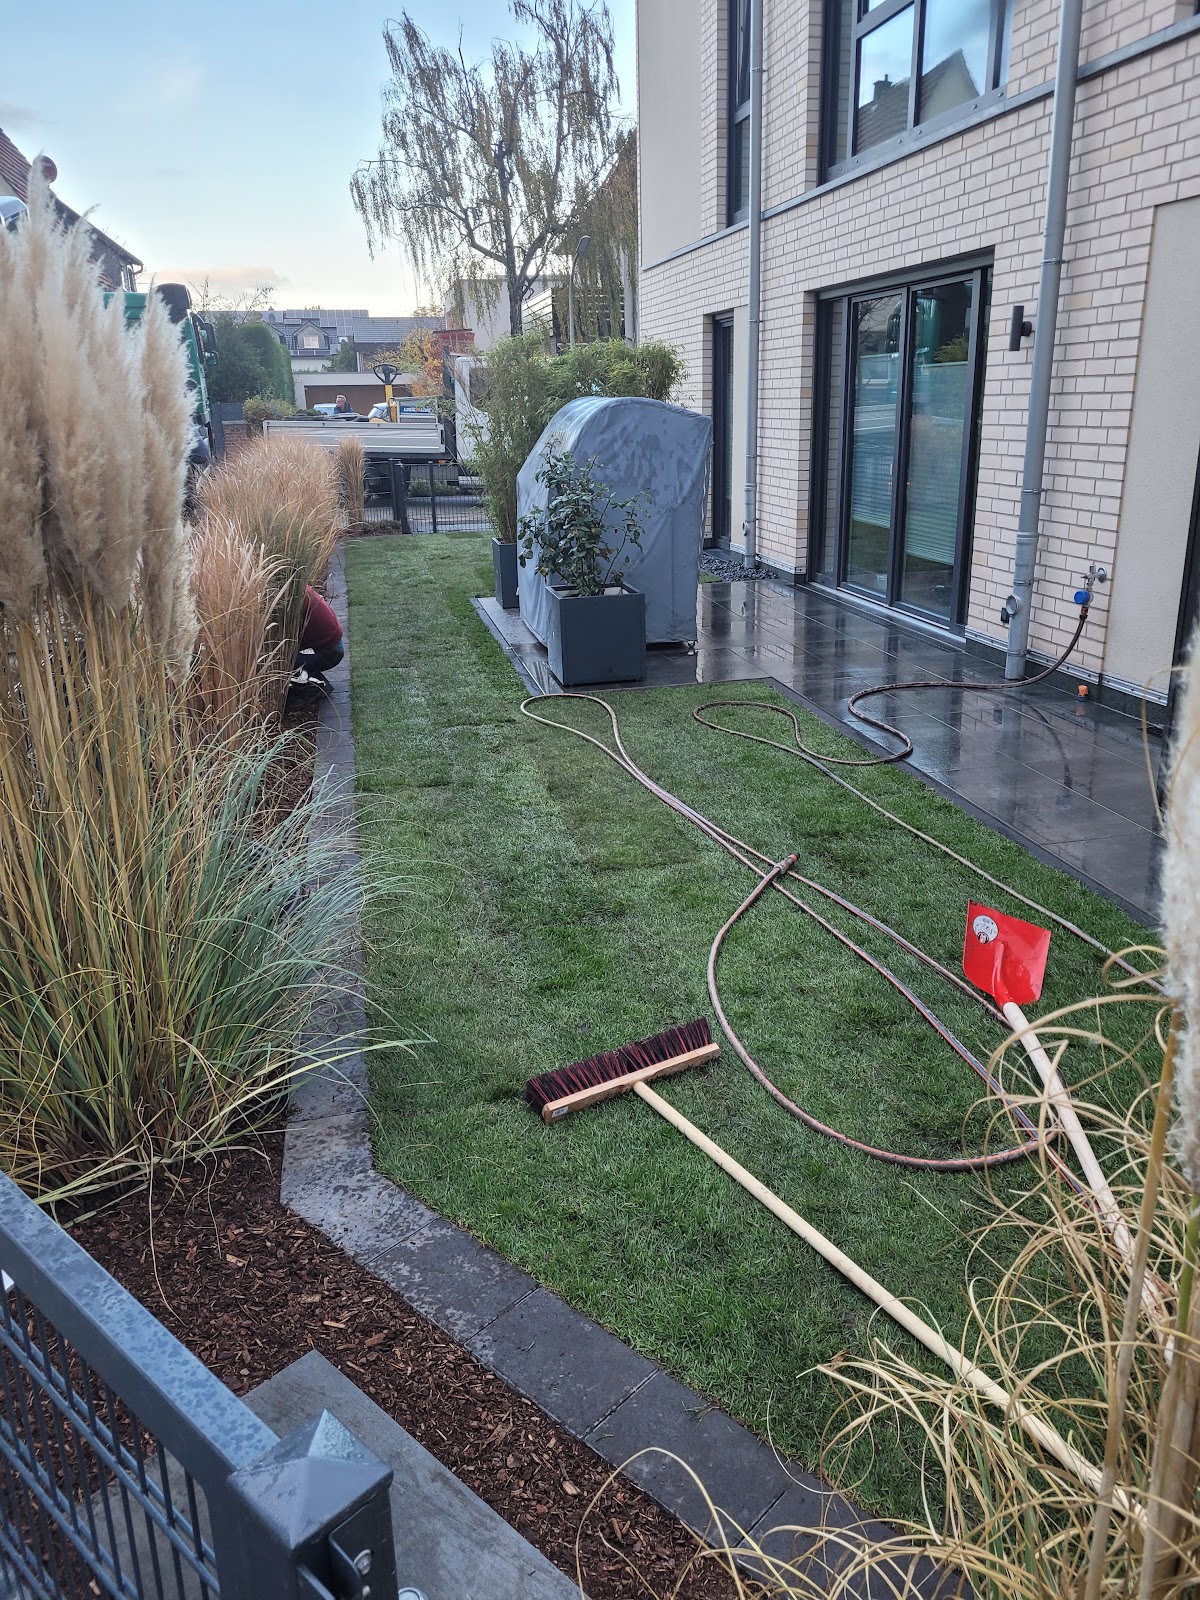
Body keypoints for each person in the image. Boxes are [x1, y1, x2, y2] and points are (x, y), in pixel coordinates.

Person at [292, 585, 344, 690]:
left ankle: (317, 686)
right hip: (331, 646)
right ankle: (311, 679)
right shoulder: (299, 588)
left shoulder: (294, 599)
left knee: (285, 662)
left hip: (329, 651)